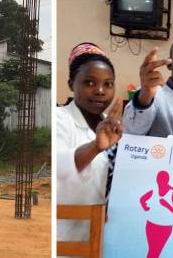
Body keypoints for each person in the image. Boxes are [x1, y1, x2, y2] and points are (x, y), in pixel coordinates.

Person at [55, 43, 124, 243]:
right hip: (68, 239)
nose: (100, 91)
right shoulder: (60, 119)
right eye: (90, 83)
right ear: (71, 84)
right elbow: (59, 167)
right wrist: (95, 147)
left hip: (104, 239)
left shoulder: (114, 130)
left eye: (108, 84)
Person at [140, 170, 173, 258]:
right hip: (151, 225)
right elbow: (142, 199)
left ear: (167, 180)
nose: (159, 181)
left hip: (165, 228)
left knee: (155, 252)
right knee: (152, 251)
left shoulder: (172, 195)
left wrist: (167, 205)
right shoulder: (154, 191)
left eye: (162, 180)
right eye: (158, 179)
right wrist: (145, 207)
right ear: (156, 180)